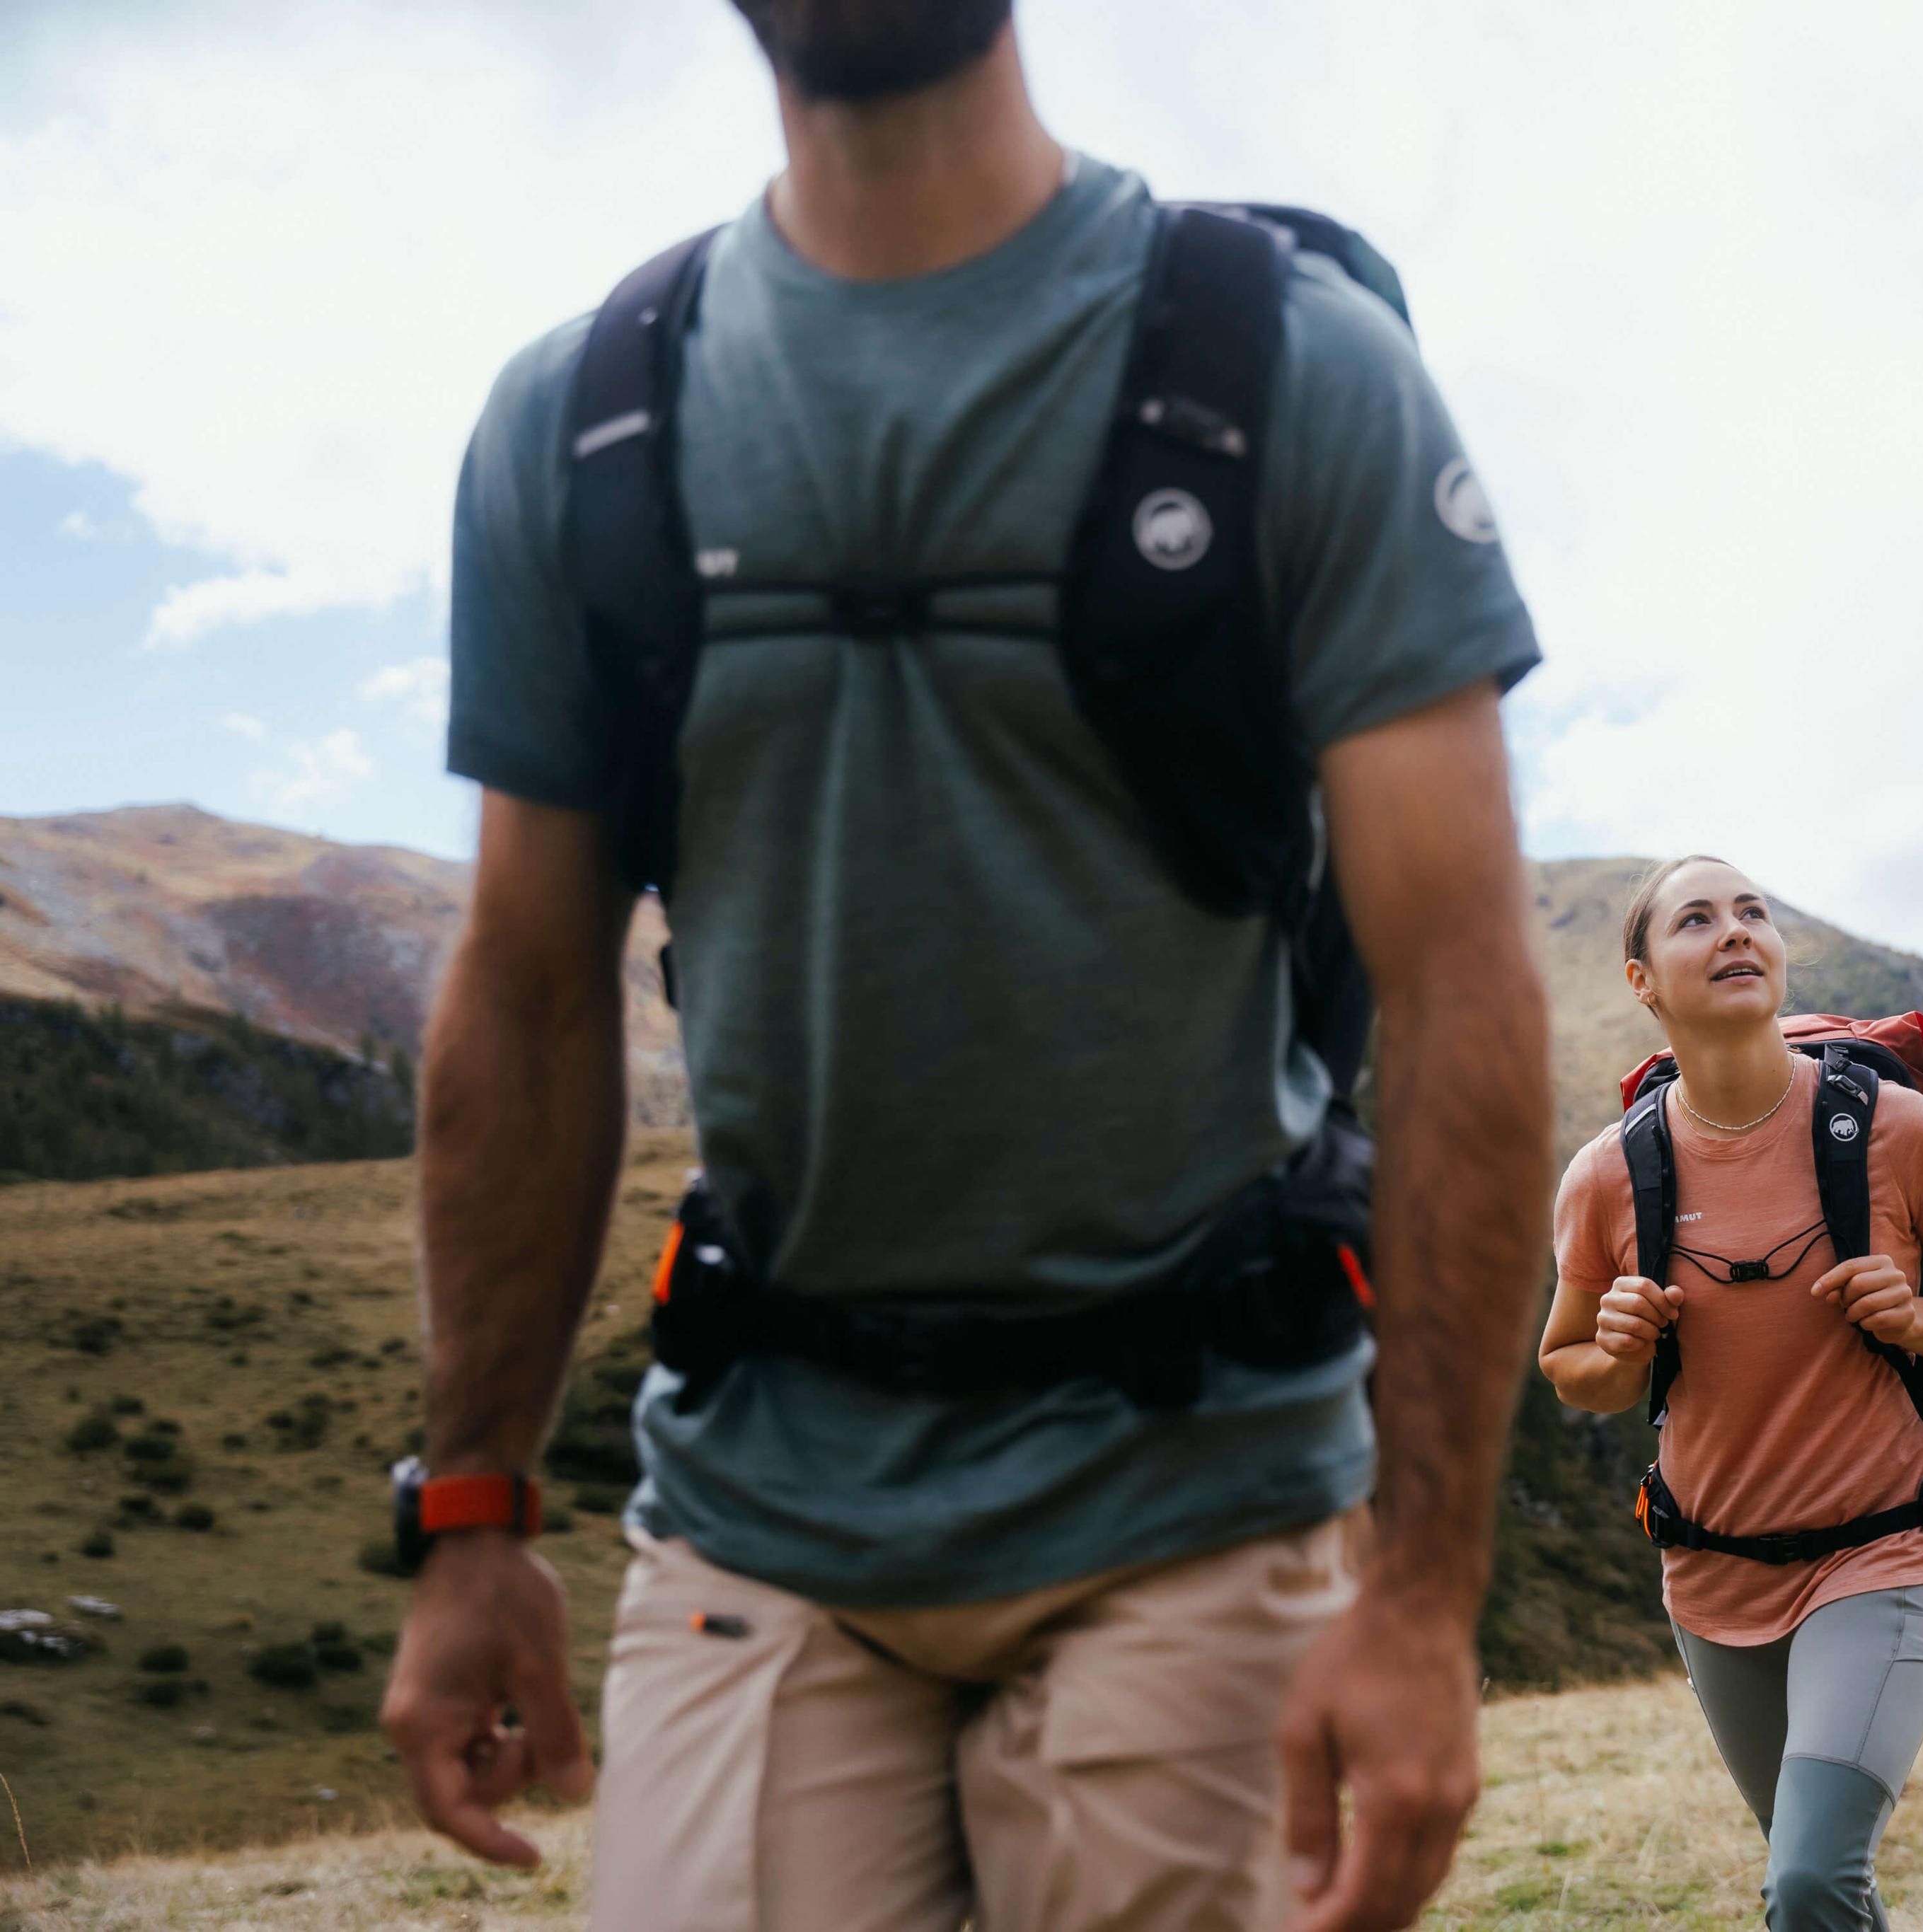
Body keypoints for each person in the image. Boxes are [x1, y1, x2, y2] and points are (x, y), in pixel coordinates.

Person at [378, 5, 1553, 1929]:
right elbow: (524, 993)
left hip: (1201, 1506)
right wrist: (472, 1506)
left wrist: (1423, 1596)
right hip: (761, 1519)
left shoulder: (1305, 376)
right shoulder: (578, 428)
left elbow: (1463, 986)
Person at [1539, 856, 1923, 1931]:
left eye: (1752, 913)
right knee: (1821, 1882)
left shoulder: (1897, 1133)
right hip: (1713, 1575)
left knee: (1809, 1881)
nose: (1735, 931)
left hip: (1884, 1548)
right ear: (1643, 981)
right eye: (1698, 920)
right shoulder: (1606, 1175)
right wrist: (1619, 1351)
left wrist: (1914, 1316)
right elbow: (1569, 1366)